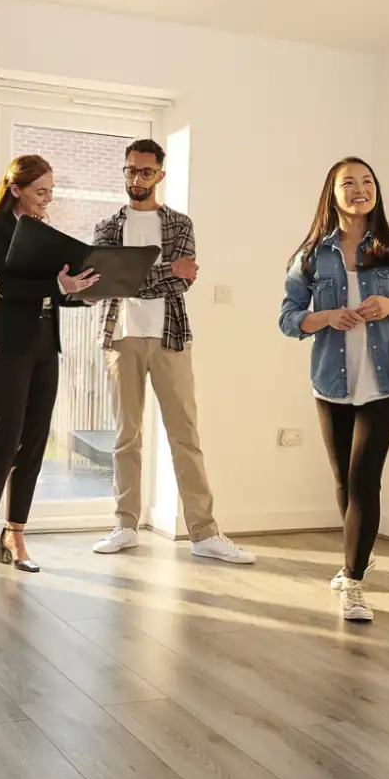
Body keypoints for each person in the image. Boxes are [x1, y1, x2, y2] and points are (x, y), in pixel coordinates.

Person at [278, 157, 389, 621]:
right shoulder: (310, 255)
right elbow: (288, 319)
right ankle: (359, 552)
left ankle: (352, 580)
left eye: (367, 182)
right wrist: (325, 316)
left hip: (386, 381)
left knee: (365, 477)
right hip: (331, 381)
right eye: (349, 183)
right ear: (333, 193)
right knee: (345, 481)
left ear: (377, 192)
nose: (360, 189)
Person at [89, 139, 255, 565]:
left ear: (160, 175)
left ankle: (203, 532)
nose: (136, 179)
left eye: (146, 172)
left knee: (185, 436)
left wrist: (132, 274)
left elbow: (183, 281)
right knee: (126, 437)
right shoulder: (108, 226)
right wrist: (159, 271)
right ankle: (125, 526)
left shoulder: (179, 224)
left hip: (170, 338)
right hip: (120, 339)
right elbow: (108, 282)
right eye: (130, 170)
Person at [0, 154, 98, 585]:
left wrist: (84, 289)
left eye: (50, 192)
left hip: (44, 346)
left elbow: (54, 290)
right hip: (8, 345)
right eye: (41, 191)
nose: (47, 199)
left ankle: (15, 536)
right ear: (16, 188)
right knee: (3, 442)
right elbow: (5, 284)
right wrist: (58, 285)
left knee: (35, 443)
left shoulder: (42, 232)